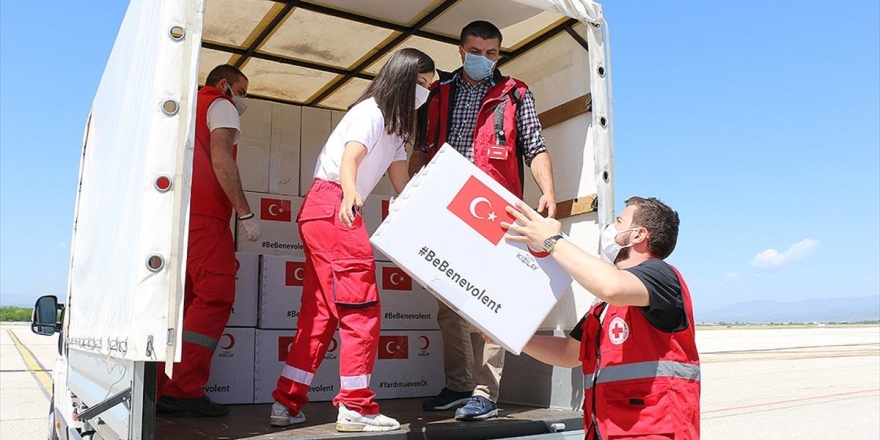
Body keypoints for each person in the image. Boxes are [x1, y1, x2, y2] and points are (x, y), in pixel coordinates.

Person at [269, 48, 435, 432]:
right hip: (334, 206)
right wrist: (348, 193)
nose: (425, 92)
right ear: (404, 79)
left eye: (430, 86)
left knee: (320, 315)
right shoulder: (371, 112)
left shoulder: (394, 129)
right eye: (422, 84)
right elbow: (350, 158)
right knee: (360, 307)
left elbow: (401, 185)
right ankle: (356, 407)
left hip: (321, 210)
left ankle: (286, 401)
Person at [409, 20, 556, 421]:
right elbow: (421, 147)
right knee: (448, 301)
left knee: (492, 301)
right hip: (444, 203)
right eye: (476, 52)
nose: (484, 59)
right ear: (461, 51)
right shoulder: (437, 92)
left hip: (494, 206)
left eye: (492, 53)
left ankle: (484, 391)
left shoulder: (515, 93)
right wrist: (409, 191)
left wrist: (548, 190)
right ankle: (457, 385)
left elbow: (535, 146)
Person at [500, 196, 701, 439]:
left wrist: (551, 241)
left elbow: (611, 286)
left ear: (638, 234)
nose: (610, 228)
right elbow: (567, 353)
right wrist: (508, 335)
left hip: (652, 430)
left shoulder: (660, 275)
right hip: (605, 430)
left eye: (619, 221)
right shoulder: (604, 307)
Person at [157, 64, 262, 416]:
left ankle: (161, 387)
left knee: (184, 304)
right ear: (224, 84)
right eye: (242, 90)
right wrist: (245, 213)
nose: (243, 98)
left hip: (178, 217)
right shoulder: (221, 104)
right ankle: (183, 390)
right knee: (215, 296)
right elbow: (221, 158)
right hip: (205, 217)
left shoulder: (184, 110)